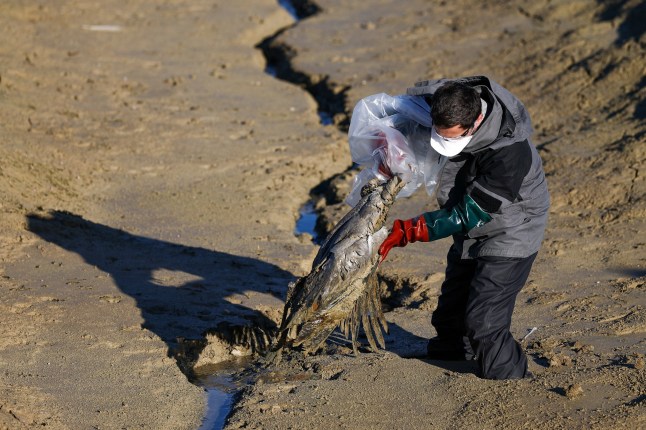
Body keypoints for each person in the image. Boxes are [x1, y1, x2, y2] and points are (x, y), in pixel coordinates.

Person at [378, 76, 550, 380]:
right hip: (470, 225)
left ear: (476, 121)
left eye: (453, 139)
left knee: (484, 321)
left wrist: (410, 230)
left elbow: (470, 213)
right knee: (451, 313)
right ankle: (453, 355)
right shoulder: (449, 98)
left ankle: (509, 379)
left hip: (512, 228)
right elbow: (403, 107)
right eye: (440, 135)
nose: (445, 144)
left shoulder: (510, 152)